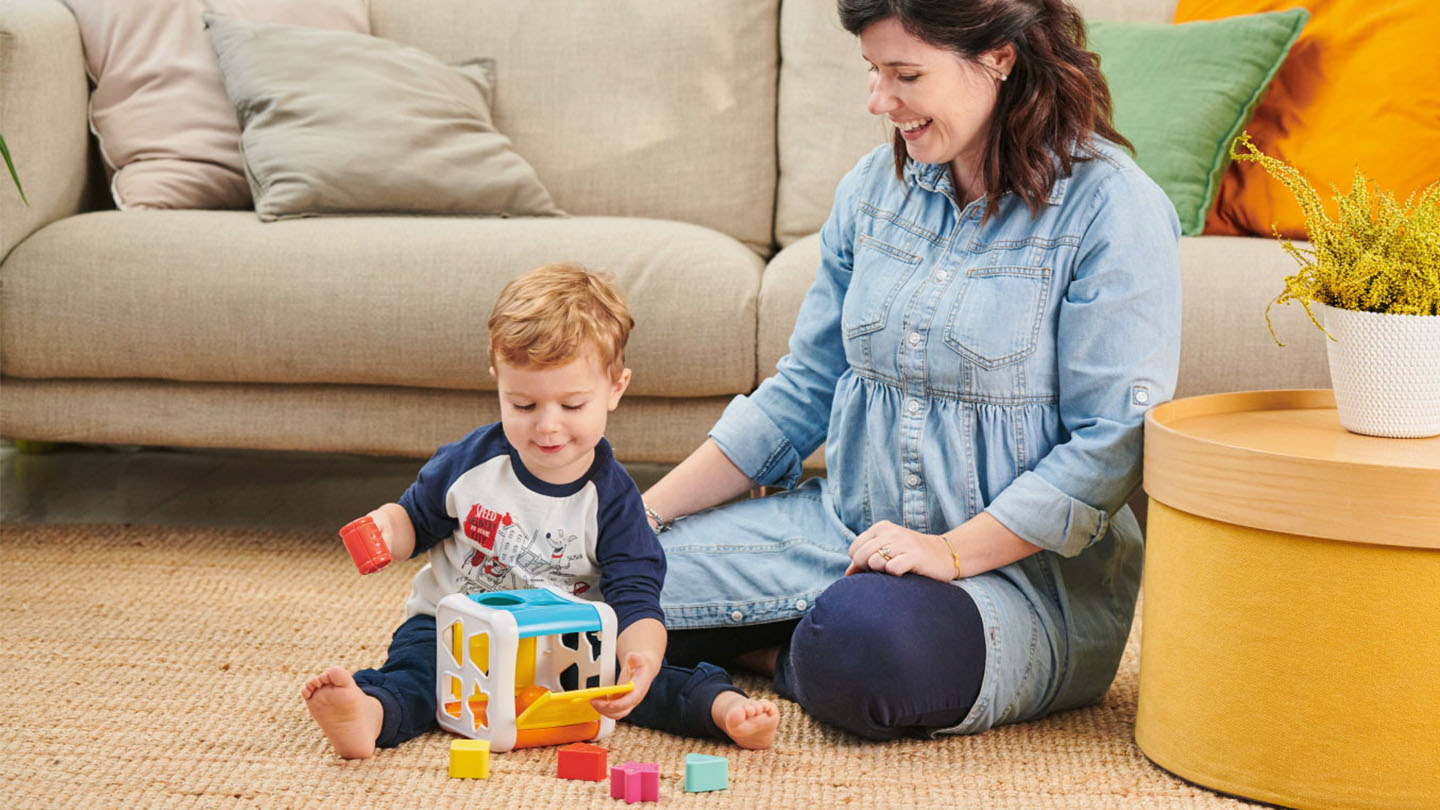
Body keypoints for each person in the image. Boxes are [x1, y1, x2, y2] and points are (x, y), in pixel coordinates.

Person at [641, 0, 1182, 741]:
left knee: (867, 649)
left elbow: (1109, 446)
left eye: (905, 74)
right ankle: (783, 633)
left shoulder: (1111, 210)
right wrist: (642, 516)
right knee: (612, 582)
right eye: (873, 71)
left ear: (1000, 57)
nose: (879, 101)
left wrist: (949, 552)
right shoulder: (873, 189)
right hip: (838, 536)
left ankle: (772, 641)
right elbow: (803, 388)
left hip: (1016, 584)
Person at [301, 263, 779, 759]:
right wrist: (383, 528)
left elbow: (636, 596)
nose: (548, 427)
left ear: (616, 388)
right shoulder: (468, 466)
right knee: (420, 673)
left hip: (566, 646)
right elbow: (413, 521)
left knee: (637, 685)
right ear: (498, 383)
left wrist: (642, 658)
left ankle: (724, 711)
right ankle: (370, 714)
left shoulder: (613, 501)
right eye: (524, 405)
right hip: (459, 634)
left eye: (572, 405)